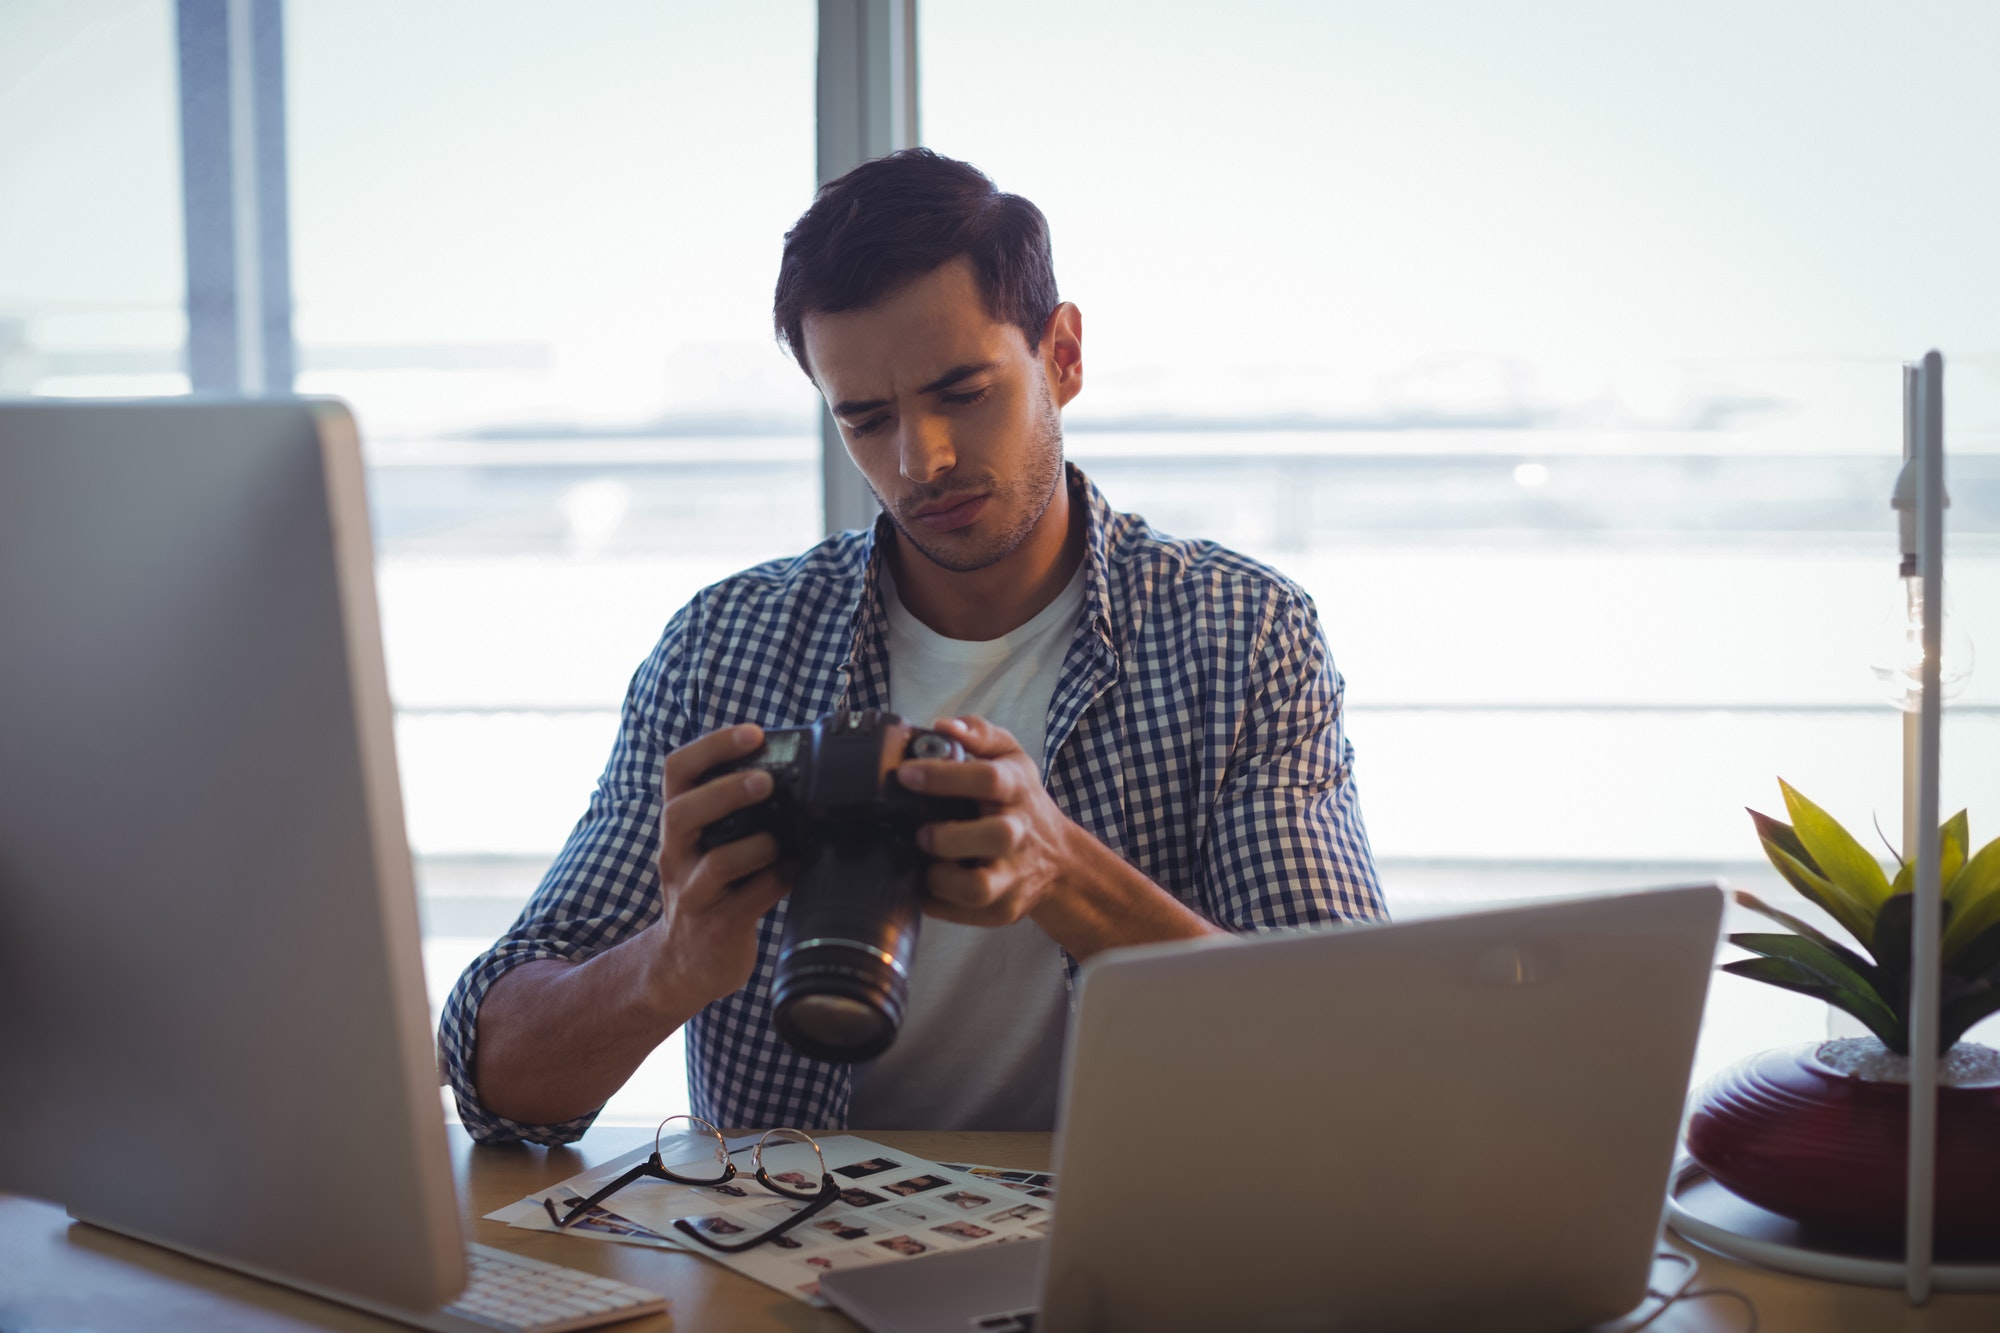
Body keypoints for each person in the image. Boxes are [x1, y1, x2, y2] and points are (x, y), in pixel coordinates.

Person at [440, 148, 1385, 1144]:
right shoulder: (725, 647)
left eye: (961, 393)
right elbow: (497, 1078)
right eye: (865, 416)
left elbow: (1348, 1051)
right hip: (786, 1261)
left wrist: (1062, 872)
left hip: (1129, 1247)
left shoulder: (1238, 633)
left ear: (1060, 355)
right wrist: (667, 964)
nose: (917, 459)